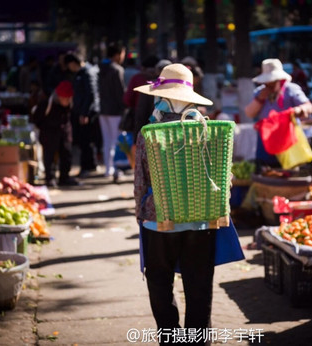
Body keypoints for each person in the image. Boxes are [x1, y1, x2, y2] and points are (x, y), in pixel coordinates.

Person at [133, 63, 244, 345]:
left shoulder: (150, 132)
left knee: (160, 283)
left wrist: (140, 216)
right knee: (199, 286)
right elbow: (226, 176)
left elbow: (141, 183)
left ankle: (169, 340)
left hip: (158, 221)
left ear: (162, 97)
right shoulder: (209, 131)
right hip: (202, 218)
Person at [244, 58, 312, 168]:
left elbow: (308, 106)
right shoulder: (259, 92)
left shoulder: (291, 90)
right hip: (266, 139)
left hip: (287, 138)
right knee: (265, 169)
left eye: (272, 82)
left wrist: (299, 110)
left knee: (288, 171)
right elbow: (249, 113)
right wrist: (260, 99)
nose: (269, 84)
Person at [33, 81, 80, 188]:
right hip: (49, 134)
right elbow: (36, 119)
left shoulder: (71, 103)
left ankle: (64, 177)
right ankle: (49, 178)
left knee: (66, 154)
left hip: (65, 133)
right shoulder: (46, 104)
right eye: (64, 98)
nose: (67, 101)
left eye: (68, 99)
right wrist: (45, 129)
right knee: (49, 157)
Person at [64, 52, 98, 177]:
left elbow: (91, 95)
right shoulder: (81, 73)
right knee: (84, 141)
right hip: (81, 112)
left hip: (86, 113)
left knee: (86, 141)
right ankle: (90, 165)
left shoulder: (87, 73)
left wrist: (84, 113)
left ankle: (87, 167)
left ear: (73, 63)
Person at [97, 43, 126, 180]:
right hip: (115, 110)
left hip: (103, 109)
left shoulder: (100, 68)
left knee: (107, 140)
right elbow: (120, 93)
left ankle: (108, 169)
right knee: (115, 140)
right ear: (117, 54)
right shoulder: (117, 70)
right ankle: (114, 169)